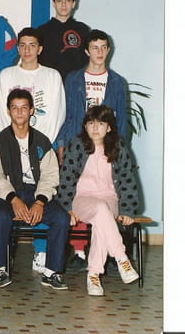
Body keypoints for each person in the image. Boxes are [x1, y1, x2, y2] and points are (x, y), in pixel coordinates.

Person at [54, 29, 130, 273]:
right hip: (78, 146)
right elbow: (67, 115)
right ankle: (79, 252)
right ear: (87, 51)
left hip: (105, 146)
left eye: (103, 47)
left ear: (109, 50)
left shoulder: (117, 82)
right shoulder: (74, 79)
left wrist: (119, 150)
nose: (99, 52)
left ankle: (99, 265)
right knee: (79, 191)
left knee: (102, 199)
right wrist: (62, 145)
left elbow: (122, 122)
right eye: (94, 47)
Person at [0, 89, 70, 290]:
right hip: (8, 193)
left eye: (24, 108)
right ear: (8, 111)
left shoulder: (42, 141)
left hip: (36, 192)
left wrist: (40, 201)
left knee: (61, 218)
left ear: (31, 110)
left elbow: (50, 175)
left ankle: (51, 272)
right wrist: (13, 198)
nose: (19, 112)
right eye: (14, 108)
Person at [57, 105, 140, 296]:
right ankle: (121, 258)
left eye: (101, 124)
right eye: (91, 123)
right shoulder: (77, 144)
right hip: (81, 198)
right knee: (102, 212)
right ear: (85, 126)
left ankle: (93, 275)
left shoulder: (118, 146)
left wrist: (127, 210)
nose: (95, 128)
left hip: (109, 197)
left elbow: (127, 180)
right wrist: (66, 207)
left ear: (109, 127)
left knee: (102, 218)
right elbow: (66, 178)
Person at [0, 27, 65, 151]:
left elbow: (57, 115)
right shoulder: (6, 75)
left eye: (32, 45)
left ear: (39, 49)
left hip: (43, 145)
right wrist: (11, 141)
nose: (27, 50)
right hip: (11, 145)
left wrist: (41, 144)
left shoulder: (52, 76)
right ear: (18, 49)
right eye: (23, 45)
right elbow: (1, 113)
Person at [37, 0, 91, 80]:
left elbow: (89, 60)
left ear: (73, 3)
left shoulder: (82, 29)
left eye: (68, 0)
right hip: (48, 82)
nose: (63, 4)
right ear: (53, 3)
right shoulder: (42, 31)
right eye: (59, 0)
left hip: (76, 84)